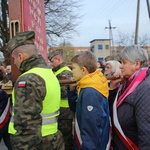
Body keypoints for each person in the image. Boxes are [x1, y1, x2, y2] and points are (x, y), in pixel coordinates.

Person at [7, 30, 64, 150]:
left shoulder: (28, 79)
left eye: (14, 59)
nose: (15, 62)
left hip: (37, 143)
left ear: (21, 56)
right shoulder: (49, 74)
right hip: (51, 139)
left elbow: (26, 126)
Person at [109, 46, 150, 149]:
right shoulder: (126, 83)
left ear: (137, 64)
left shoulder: (145, 87)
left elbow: (146, 131)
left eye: (124, 62)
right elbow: (112, 112)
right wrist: (113, 89)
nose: (121, 67)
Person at [67, 51, 110, 150]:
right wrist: (72, 90)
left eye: (73, 68)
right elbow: (77, 109)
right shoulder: (86, 84)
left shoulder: (90, 92)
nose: (71, 71)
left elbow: (91, 127)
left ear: (83, 70)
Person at [48, 49, 74, 150]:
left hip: (65, 112)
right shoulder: (58, 72)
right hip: (61, 111)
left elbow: (64, 92)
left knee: (66, 139)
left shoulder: (65, 72)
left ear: (58, 59)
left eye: (52, 61)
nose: (51, 64)